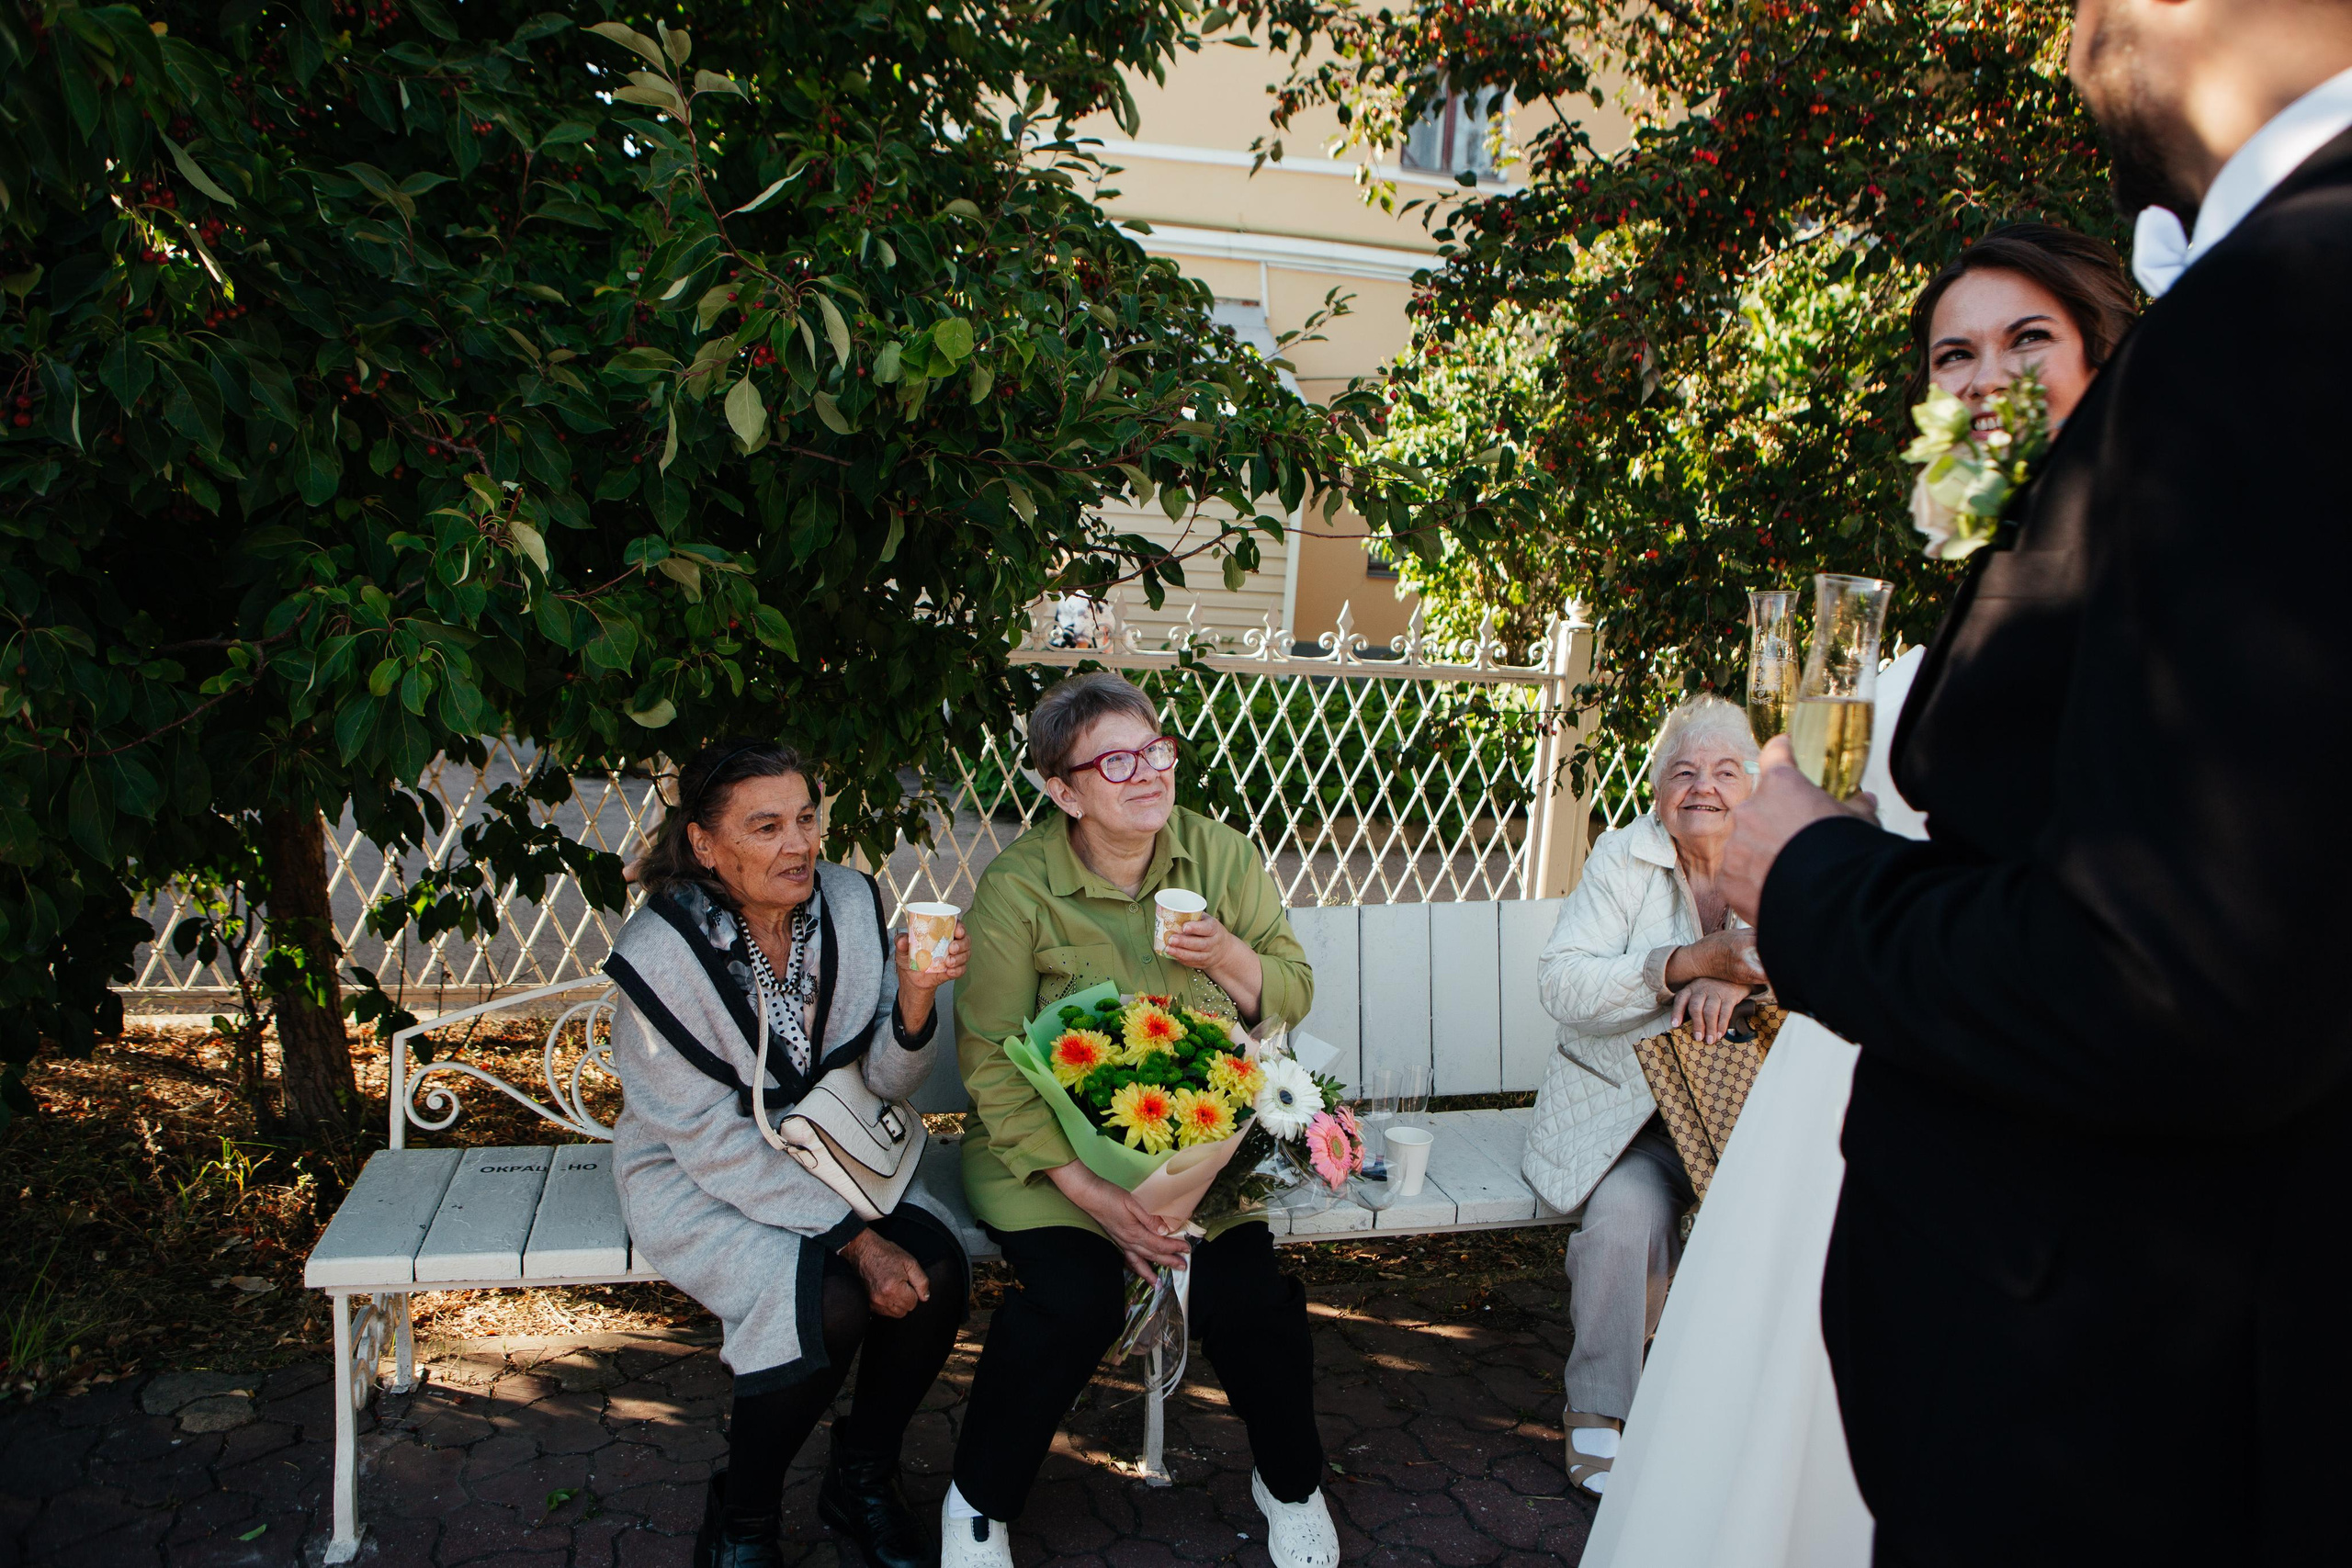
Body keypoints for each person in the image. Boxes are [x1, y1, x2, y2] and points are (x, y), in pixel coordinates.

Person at [1723, 4, 2352, 1562]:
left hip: (2123, 1424)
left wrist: (1810, 872)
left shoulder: (2282, 306)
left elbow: (2175, 973)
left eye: (2028, 340)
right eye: (1956, 351)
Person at [1586, 221, 2137, 1568]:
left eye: (2028, 341)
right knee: (1795, 1359)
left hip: (1988, 1050)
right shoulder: (1957, 609)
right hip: (1840, 1067)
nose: (1986, 374)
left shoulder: (2142, 591)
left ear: (2109, 362)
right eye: (1956, 352)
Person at [944, 672, 1338, 1568]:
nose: (1148, 772)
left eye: (1155, 749)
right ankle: (977, 1502)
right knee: (1071, 1303)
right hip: (1049, 1161)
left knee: (1249, 1300)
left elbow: (1293, 992)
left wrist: (1232, 956)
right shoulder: (1018, 889)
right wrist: (1092, 1194)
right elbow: (990, 1057)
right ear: (1063, 788)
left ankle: (1289, 1482)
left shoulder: (1219, 855)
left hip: (1202, 1147)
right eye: (1114, 760)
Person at [602, 740, 970, 1568]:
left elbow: (884, 1077)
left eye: (805, 818)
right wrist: (858, 1240)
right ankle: (743, 1519)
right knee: (827, 1299)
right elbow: (706, 1138)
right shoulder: (662, 953)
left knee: (938, 1266)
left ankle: (862, 1478)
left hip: (837, 1145)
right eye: (765, 826)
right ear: (704, 844)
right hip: (699, 1169)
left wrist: (913, 1000)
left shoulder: (845, 902)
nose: (798, 844)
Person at [1521, 694, 1765, 1498]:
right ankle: (1597, 1412)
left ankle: (1752, 1415)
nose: (1704, 787)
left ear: (1754, 788)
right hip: (1632, 1122)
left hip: (1755, 1123)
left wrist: (1743, 985)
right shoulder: (1622, 861)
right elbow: (1563, 982)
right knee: (1624, 1220)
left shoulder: (1783, 861)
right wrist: (1687, 961)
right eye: (1684, 770)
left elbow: (1839, 965)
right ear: (1658, 789)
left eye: (1726, 771)